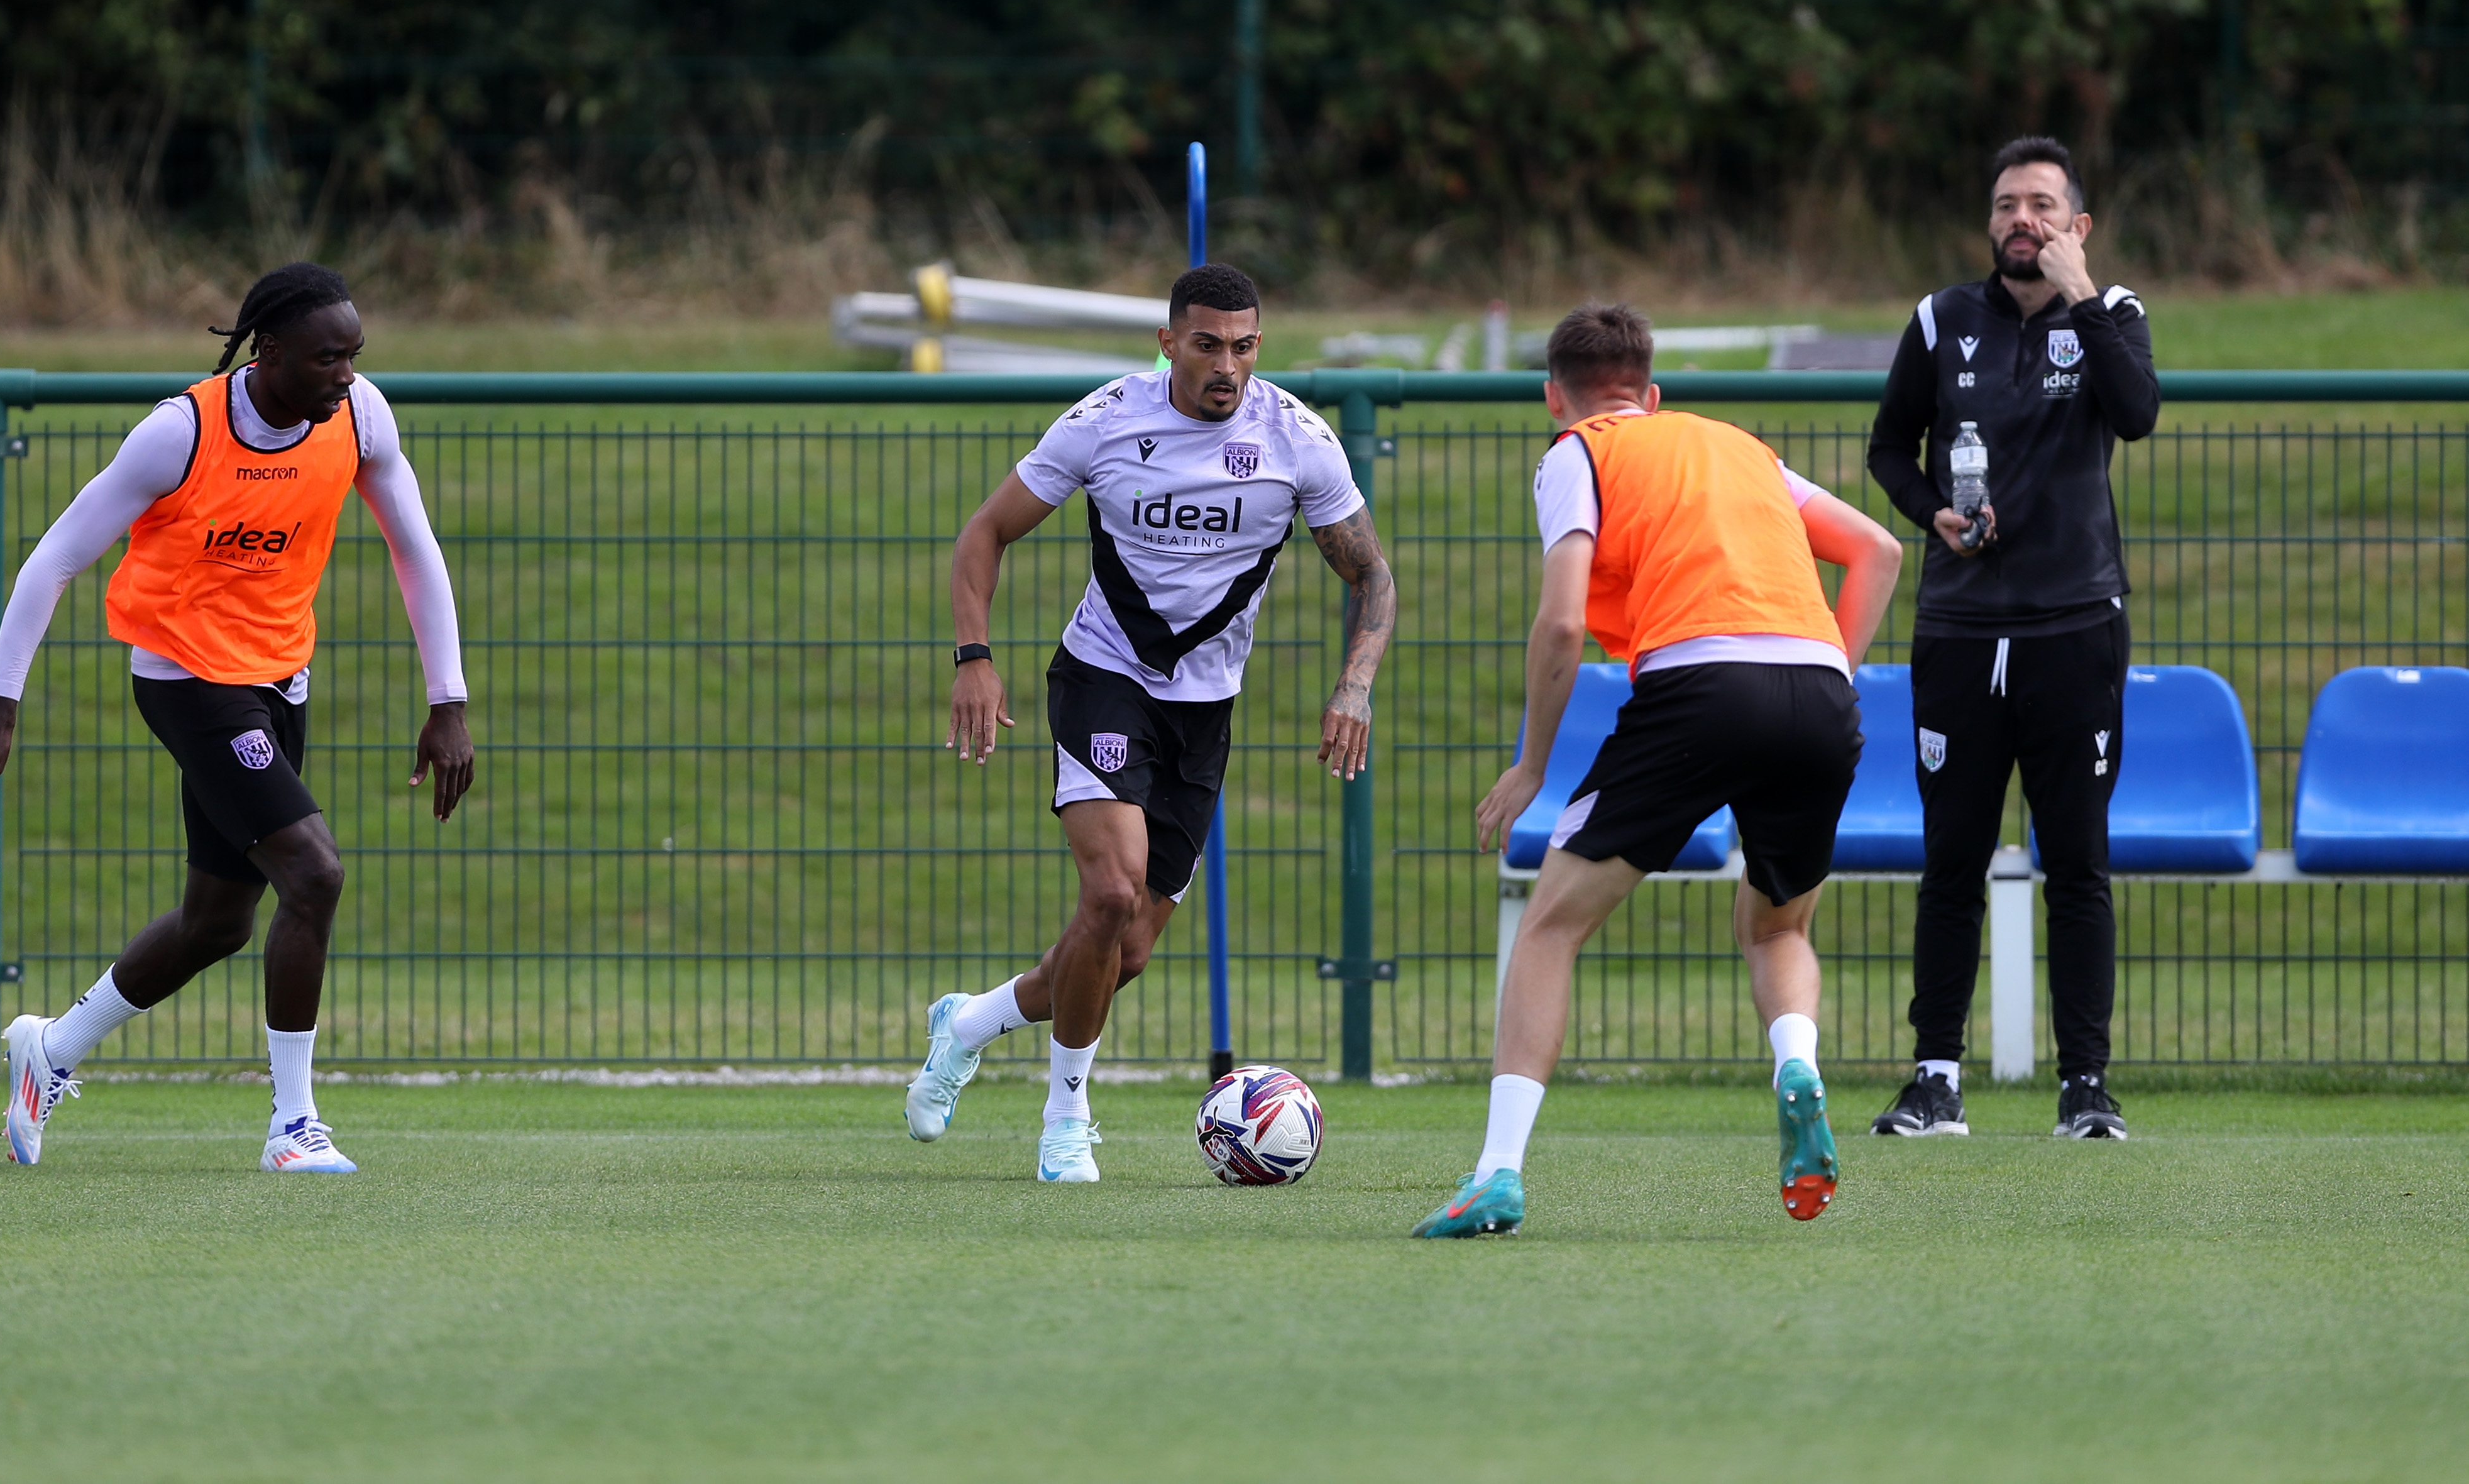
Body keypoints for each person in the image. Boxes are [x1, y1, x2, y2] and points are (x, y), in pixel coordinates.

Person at [0, 263, 474, 1172]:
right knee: (315, 873)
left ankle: (50, 1050)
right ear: (267, 353)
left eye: (355, 355)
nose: (345, 374)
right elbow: (52, 560)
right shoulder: (179, 432)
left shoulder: (362, 414)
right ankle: (293, 1127)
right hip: (185, 677)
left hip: (278, 678)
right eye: (325, 356)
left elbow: (415, 549)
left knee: (218, 920)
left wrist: (446, 702)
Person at [1413, 304, 1903, 1236]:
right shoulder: (1738, 446)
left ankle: (1496, 1171)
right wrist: (1829, 671)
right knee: (1775, 926)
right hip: (1818, 693)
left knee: (1549, 926)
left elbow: (1560, 623)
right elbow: (1876, 550)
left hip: (1699, 686)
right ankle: (1795, 1064)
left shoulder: (1575, 452)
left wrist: (1530, 766)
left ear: (1554, 396)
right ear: (1654, 391)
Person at [906, 262, 1395, 1183]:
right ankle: (1065, 1117)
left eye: (1243, 346)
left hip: (1204, 713)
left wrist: (1354, 686)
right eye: (1206, 344)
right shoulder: (1105, 422)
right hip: (1104, 679)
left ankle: (969, 1022)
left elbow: (1371, 576)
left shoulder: (1297, 439)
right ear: (1166, 341)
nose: (1227, 365)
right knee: (1109, 897)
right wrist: (972, 657)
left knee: (1119, 952)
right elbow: (984, 534)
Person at [1865, 135, 2158, 1142]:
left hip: (2075, 628)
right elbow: (1885, 448)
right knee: (1951, 858)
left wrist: (2081, 296)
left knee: (2074, 860)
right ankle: (1933, 1078)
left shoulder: (2111, 317)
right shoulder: (1941, 320)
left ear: (2076, 227)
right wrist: (1930, 514)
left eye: (2040, 205)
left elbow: (2137, 415)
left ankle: (2085, 1087)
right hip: (1957, 628)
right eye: (2003, 206)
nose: (2018, 221)